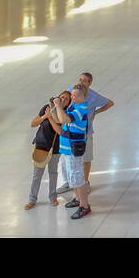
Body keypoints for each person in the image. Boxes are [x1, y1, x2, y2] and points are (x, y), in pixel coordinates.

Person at [57, 72, 112, 196]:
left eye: (84, 80)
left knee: (86, 158)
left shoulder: (92, 98)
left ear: (90, 83)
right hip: (69, 133)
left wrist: (95, 113)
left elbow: (110, 103)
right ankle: (69, 183)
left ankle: (84, 183)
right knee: (67, 160)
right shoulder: (72, 90)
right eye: (80, 79)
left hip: (84, 134)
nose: (81, 82)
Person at [48, 84, 92, 219]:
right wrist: (53, 107)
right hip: (67, 148)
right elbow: (58, 119)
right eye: (71, 94)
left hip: (74, 149)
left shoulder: (81, 109)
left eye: (74, 95)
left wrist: (60, 107)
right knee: (72, 177)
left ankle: (84, 206)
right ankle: (78, 199)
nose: (71, 97)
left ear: (83, 96)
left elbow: (64, 119)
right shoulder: (73, 106)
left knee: (78, 179)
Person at [25, 89, 71, 210]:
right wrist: (45, 116)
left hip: (55, 148)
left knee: (53, 173)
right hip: (41, 146)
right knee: (37, 174)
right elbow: (33, 123)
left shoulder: (65, 114)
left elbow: (58, 129)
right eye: (62, 97)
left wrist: (50, 116)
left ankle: (52, 197)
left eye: (66, 99)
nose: (63, 100)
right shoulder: (46, 108)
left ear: (68, 103)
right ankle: (32, 199)